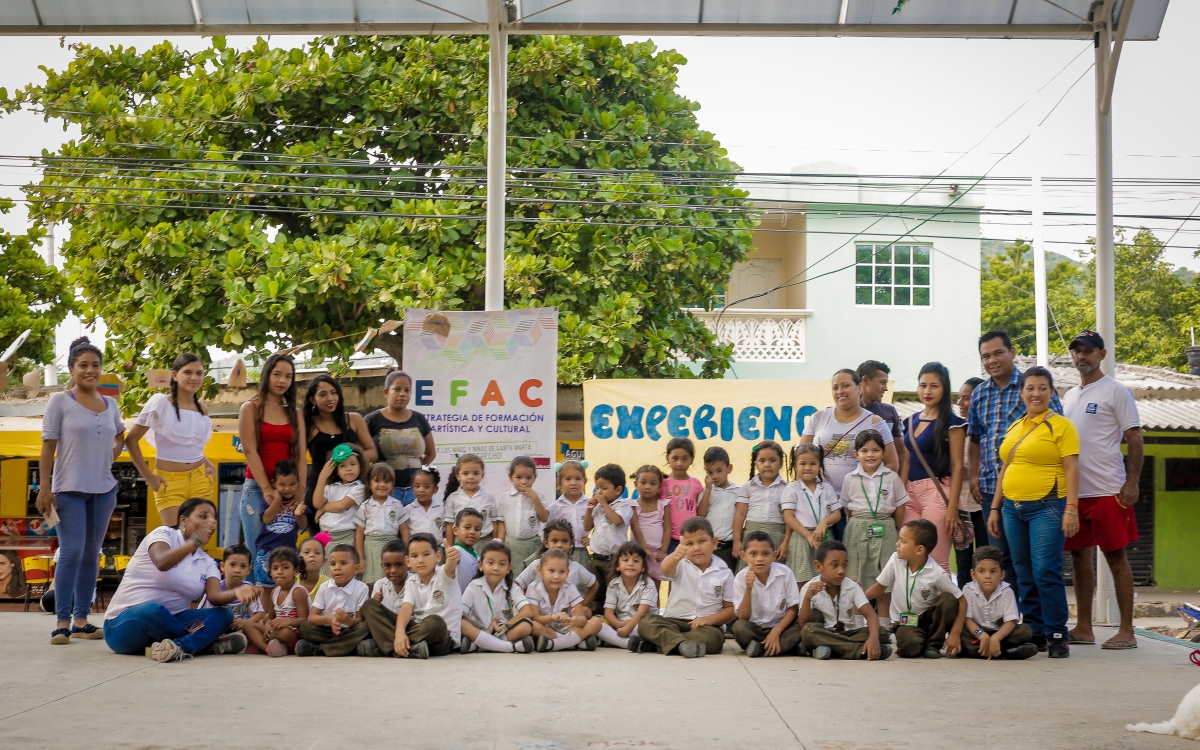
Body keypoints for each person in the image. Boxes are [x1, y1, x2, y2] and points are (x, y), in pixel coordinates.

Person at [38, 336, 127, 644]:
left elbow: (120, 436)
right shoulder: (59, 402)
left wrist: (112, 452)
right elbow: (48, 447)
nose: (90, 370)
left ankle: (81, 620)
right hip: (68, 489)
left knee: (92, 555)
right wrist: (44, 488)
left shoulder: (111, 404)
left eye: (95, 365)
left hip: (103, 490)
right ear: (72, 369)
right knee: (71, 553)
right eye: (83, 365)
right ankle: (62, 621)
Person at [988, 365, 1079, 658]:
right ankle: (1036, 631)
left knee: (1045, 571)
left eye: (1042, 387)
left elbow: (1072, 468)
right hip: (1012, 509)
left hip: (1048, 506)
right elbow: (1005, 468)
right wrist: (994, 507)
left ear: (1052, 392)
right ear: (1022, 392)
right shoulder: (1015, 426)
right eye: (1030, 388)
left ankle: (1057, 634)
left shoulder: (1061, 425)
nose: (1036, 393)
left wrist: (1072, 509)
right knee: (1023, 572)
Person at [1061, 331, 1144, 651]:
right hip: (1076, 494)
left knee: (1115, 556)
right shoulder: (1068, 396)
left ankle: (1127, 630)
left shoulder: (1116, 391)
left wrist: (1132, 482)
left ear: (1102, 354)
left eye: (1088, 350)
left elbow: (1134, 438)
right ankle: (1084, 626)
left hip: (1110, 490)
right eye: (1076, 351)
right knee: (1080, 558)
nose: (1081, 356)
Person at [103, 497, 257, 661]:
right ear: (183, 520)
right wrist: (195, 540)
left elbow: (215, 597)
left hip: (172, 624)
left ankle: (180, 646)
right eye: (203, 516)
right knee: (152, 610)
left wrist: (236, 593)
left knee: (224, 615)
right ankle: (206, 644)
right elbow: (162, 561)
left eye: (213, 519)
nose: (210, 523)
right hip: (124, 624)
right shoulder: (163, 535)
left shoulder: (207, 562)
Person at [968, 330, 1062, 587]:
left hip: (1035, 493)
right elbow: (975, 438)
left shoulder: (1033, 386)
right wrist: (974, 476)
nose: (992, 360)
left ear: (1012, 353)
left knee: (1037, 563)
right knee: (1001, 560)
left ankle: (1041, 624)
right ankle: (1011, 620)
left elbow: (1059, 434)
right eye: (985, 356)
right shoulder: (979, 393)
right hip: (991, 490)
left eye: (998, 353)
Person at [237, 352, 306, 578]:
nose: (282, 381)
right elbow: (249, 450)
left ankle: (280, 609)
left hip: (287, 493)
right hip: (257, 491)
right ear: (266, 375)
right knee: (257, 553)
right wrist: (267, 488)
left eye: (288, 376)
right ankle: (252, 610)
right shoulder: (250, 408)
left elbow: (300, 455)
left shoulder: (295, 413)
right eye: (277, 374)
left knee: (283, 557)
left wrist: (300, 491)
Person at [126, 353, 214, 529]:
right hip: (169, 482)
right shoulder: (160, 404)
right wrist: (149, 477)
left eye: (199, 373)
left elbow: (193, 445)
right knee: (176, 537)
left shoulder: (202, 409)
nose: (194, 377)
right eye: (188, 372)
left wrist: (208, 463)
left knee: (197, 538)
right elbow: (131, 440)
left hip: (200, 479)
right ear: (174, 375)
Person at [799, 369, 899, 517]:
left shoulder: (875, 422)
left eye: (845, 385)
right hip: (819, 501)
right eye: (835, 387)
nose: (840, 391)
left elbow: (892, 464)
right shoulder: (818, 417)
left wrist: (868, 493)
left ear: (859, 388)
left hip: (856, 505)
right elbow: (801, 456)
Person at [633, 517, 736, 659]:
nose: (696, 548)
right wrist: (676, 555)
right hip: (674, 621)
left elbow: (731, 609)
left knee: (714, 639)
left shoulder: (724, 572)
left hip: (706, 627)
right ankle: (681, 644)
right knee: (646, 621)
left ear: (714, 543)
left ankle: (658, 644)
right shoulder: (680, 563)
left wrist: (710, 620)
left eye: (702, 541)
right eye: (689, 543)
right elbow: (665, 570)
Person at [864, 519, 966, 659]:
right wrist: (859, 597)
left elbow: (962, 600)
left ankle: (933, 644)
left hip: (928, 619)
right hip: (905, 622)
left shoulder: (936, 572)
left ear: (919, 549)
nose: (897, 544)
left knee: (948, 598)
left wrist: (955, 633)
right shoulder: (895, 560)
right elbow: (881, 586)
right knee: (909, 647)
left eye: (903, 541)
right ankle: (920, 642)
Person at [901, 362, 967, 573]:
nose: (927, 391)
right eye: (922, 385)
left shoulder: (952, 422)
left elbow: (957, 466)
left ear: (945, 388)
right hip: (909, 495)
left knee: (937, 563)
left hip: (938, 493)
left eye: (934, 386)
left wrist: (952, 508)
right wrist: (899, 497)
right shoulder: (909, 421)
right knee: (909, 560)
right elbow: (905, 461)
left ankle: (944, 607)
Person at [843, 430, 909, 624]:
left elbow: (900, 505)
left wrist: (897, 530)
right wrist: (860, 521)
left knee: (885, 577)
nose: (870, 455)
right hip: (857, 527)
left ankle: (884, 625)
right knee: (856, 575)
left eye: (875, 450)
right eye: (864, 450)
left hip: (886, 528)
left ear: (883, 452)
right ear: (856, 454)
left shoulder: (892, 477)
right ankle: (856, 624)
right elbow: (847, 507)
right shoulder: (850, 478)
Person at [304, 375, 377, 528]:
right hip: (320, 489)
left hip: (352, 491)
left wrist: (347, 456)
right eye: (322, 395)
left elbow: (372, 452)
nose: (330, 398)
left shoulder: (354, 419)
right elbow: (297, 459)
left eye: (333, 392)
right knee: (320, 544)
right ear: (312, 400)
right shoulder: (308, 426)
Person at [798, 540, 888, 661]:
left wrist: (873, 639)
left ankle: (831, 650)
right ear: (818, 566)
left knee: (881, 632)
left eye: (844, 565)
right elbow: (804, 623)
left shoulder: (852, 586)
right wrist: (808, 598)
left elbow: (871, 615)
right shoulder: (809, 588)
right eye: (834, 565)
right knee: (808, 631)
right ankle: (860, 650)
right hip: (823, 634)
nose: (841, 570)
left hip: (847, 634)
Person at [365, 370, 435, 506]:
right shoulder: (372, 420)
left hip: (414, 492)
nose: (402, 394)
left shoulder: (419, 419)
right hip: (386, 491)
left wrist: (417, 473)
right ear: (386, 392)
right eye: (397, 389)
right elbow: (360, 456)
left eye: (407, 390)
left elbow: (431, 453)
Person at [732, 530, 803, 658]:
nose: (760, 559)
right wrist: (749, 588)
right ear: (744, 556)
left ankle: (759, 649)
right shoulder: (740, 578)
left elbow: (793, 609)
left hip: (782, 628)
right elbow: (743, 616)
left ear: (774, 555)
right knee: (739, 628)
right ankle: (787, 647)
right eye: (753, 554)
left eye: (766, 554)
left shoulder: (785, 573)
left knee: (805, 624)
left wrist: (776, 631)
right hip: (755, 630)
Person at [391, 534, 462, 659]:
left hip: (442, 638)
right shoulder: (411, 582)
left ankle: (388, 646)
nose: (420, 560)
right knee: (371, 606)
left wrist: (452, 558)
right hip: (419, 630)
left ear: (438, 556)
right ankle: (410, 647)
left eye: (426, 554)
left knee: (435, 622)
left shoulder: (444, 574)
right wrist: (400, 632)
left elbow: (450, 568)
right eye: (414, 556)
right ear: (408, 561)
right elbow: (406, 608)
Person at [959, 546, 1036, 660]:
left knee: (1025, 631)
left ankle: (982, 651)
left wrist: (995, 638)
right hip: (977, 634)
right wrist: (982, 636)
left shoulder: (1007, 591)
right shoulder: (968, 589)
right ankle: (1006, 653)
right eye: (981, 571)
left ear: (1002, 574)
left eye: (993, 571)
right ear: (973, 574)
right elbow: (967, 620)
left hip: (1001, 634)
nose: (987, 576)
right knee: (960, 634)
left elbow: (1011, 622)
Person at [459, 541, 536, 654]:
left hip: (503, 633)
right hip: (481, 631)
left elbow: (527, 611)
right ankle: (510, 647)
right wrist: (487, 629)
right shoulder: (474, 586)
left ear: (509, 567)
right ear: (480, 565)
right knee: (461, 623)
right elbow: (462, 613)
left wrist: (504, 626)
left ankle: (479, 646)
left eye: (502, 564)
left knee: (527, 626)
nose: (496, 568)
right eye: (490, 563)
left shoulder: (512, 587)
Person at [782, 444, 842, 586]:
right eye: (803, 464)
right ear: (795, 466)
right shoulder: (792, 489)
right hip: (802, 538)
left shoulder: (826, 488)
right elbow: (789, 518)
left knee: (826, 578)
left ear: (820, 466)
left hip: (824, 537)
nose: (808, 467)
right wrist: (808, 535)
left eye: (813, 463)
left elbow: (837, 514)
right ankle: (803, 607)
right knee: (802, 580)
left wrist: (824, 522)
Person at [296, 544, 370, 657]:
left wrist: (348, 621)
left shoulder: (361, 588)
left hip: (349, 631)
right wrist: (328, 619)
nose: (337, 567)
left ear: (356, 569)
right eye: (332, 564)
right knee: (305, 627)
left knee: (365, 628)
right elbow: (312, 617)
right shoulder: (324, 587)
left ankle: (320, 649)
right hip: (327, 631)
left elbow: (360, 620)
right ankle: (349, 648)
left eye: (343, 563)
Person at [527, 548, 602, 652]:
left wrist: (576, 621)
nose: (556, 576)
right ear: (540, 570)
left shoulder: (570, 587)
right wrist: (552, 617)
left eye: (562, 572)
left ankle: (554, 644)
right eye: (551, 571)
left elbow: (582, 618)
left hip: (568, 630)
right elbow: (534, 617)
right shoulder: (534, 587)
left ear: (567, 573)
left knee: (597, 622)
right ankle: (575, 644)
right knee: (532, 626)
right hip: (547, 631)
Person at [200, 544, 268, 654]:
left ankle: (239, 642)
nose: (237, 570)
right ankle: (224, 642)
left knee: (259, 624)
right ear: (222, 566)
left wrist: (245, 623)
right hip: (219, 628)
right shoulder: (215, 589)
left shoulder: (248, 588)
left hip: (240, 628)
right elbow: (201, 615)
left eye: (243, 566)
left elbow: (260, 613)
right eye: (232, 565)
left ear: (249, 570)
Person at [516, 520, 599, 610]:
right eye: (554, 541)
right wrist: (524, 605)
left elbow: (594, 584)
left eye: (564, 541)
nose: (559, 545)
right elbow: (518, 584)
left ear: (571, 543)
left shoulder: (575, 567)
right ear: (546, 543)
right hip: (539, 618)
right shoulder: (537, 564)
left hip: (566, 619)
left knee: (588, 614)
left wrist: (581, 606)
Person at [954, 378, 990, 588]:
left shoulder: (987, 430)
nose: (960, 402)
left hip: (982, 505)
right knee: (963, 564)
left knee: (985, 560)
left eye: (966, 398)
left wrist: (968, 471)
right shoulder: (954, 429)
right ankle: (963, 611)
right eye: (959, 398)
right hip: (960, 508)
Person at [354, 463, 411, 586]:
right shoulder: (365, 506)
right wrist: (361, 557)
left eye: (387, 481)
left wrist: (407, 552)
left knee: (392, 580)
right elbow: (359, 533)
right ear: (369, 483)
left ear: (392, 485)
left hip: (392, 547)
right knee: (370, 583)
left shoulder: (397, 504)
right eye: (377, 480)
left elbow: (404, 530)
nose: (382, 484)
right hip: (370, 549)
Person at [593, 541, 657, 650]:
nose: (630, 564)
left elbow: (642, 612)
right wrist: (619, 625)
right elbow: (608, 613)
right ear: (618, 566)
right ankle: (629, 643)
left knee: (648, 627)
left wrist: (627, 628)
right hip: (620, 625)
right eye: (625, 560)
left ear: (643, 567)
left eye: (636, 561)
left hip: (640, 624)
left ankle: (613, 641)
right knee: (595, 622)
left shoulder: (648, 584)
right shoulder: (613, 584)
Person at [733, 440, 789, 563]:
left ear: (781, 463)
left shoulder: (787, 489)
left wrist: (785, 542)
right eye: (762, 461)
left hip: (776, 537)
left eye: (772, 460)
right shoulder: (748, 487)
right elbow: (740, 514)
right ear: (756, 463)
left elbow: (789, 518)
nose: (767, 464)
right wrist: (737, 541)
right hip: (751, 537)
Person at [585, 463, 633, 605]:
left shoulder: (623, 505)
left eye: (604, 488)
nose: (599, 492)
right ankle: (597, 617)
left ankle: (614, 618)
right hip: (596, 557)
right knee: (596, 590)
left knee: (615, 590)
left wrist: (604, 504)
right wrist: (589, 508)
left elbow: (617, 521)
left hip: (615, 558)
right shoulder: (598, 506)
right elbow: (587, 527)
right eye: (597, 488)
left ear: (618, 490)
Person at [255, 460, 306, 591]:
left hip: (288, 553)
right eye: (282, 484)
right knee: (265, 588)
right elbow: (266, 519)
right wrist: (277, 500)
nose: (287, 488)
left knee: (287, 588)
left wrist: (298, 514)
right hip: (267, 551)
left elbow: (303, 526)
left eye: (292, 484)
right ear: (274, 483)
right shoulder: (269, 500)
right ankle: (266, 612)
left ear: (298, 483)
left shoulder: (298, 502)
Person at [313, 444, 367, 566]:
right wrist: (322, 477)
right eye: (343, 466)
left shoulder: (359, 488)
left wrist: (323, 508)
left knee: (344, 570)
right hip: (326, 537)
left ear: (360, 465)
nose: (348, 469)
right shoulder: (330, 487)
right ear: (336, 469)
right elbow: (316, 502)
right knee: (327, 573)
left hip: (346, 536)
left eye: (353, 464)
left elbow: (342, 505)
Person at [358, 538, 413, 656]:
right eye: (387, 566)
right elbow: (375, 618)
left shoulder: (415, 582)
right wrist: (376, 602)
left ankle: (385, 647)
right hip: (385, 626)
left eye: (399, 565)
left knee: (431, 625)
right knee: (369, 606)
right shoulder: (380, 585)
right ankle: (405, 648)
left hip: (409, 626)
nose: (393, 570)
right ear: (382, 566)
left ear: (408, 564)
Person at [442, 453, 504, 553]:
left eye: (476, 473)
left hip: (484, 542)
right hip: (460, 543)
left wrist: (494, 544)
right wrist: (449, 548)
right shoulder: (453, 498)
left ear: (482, 475)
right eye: (466, 473)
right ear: (458, 475)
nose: (471, 477)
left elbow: (494, 522)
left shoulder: (489, 497)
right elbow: (449, 525)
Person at [497, 456, 548, 577]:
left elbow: (544, 518)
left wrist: (534, 498)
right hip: (511, 544)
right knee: (511, 576)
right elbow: (501, 523)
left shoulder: (539, 496)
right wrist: (500, 542)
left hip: (532, 545)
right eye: (518, 477)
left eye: (528, 477)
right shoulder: (505, 498)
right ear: (511, 477)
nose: (524, 481)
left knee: (532, 576)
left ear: (534, 478)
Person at [858, 360, 908, 471]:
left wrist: (899, 484)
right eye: (882, 382)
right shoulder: (847, 412)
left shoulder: (889, 411)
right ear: (865, 380)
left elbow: (901, 454)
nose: (885, 388)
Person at [263, 546, 309, 657]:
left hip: (293, 635)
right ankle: (272, 647)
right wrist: (267, 625)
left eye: (285, 567)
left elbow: (305, 619)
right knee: (250, 625)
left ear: (296, 571)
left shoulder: (297, 592)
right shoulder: (274, 592)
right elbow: (270, 617)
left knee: (284, 632)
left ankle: (262, 643)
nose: (279, 572)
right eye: (275, 568)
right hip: (277, 631)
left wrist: (287, 622)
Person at [698, 446, 740, 570]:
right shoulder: (705, 491)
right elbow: (701, 514)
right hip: (709, 546)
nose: (715, 476)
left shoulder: (738, 492)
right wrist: (708, 490)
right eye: (710, 472)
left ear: (729, 468)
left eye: (719, 470)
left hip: (729, 547)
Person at [629, 465, 671, 582]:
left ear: (660, 486)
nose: (648, 487)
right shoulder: (633, 505)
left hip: (657, 556)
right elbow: (635, 526)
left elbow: (667, 528)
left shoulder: (663, 505)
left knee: (654, 590)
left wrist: (663, 550)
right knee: (637, 586)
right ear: (636, 484)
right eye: (643, 482)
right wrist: (644, 548)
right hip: (638, 553)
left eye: (653, 483)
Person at [546, 460, 591, 569]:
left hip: (581, 551)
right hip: (561, 551)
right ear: (559, 482)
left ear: (584, 481)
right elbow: (548, 529)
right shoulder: (555, 506)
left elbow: (599, 525)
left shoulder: (590, 504)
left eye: (578, 478)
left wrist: (591, 539)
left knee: (581, 582)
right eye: (568, 479)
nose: (573, 482)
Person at [662, 437, 704, 553]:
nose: (679, 463)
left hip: (690, 538)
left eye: (684, 459)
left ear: (691, 459)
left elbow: (700, 512)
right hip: (667, 539)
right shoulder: (662, 482)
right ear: (668, 458)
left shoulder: (696, 484)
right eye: (675, 458)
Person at [449, 508, 484, 594]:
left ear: (480, 534)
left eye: (477, 529)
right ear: (456, 530)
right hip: (458, 602)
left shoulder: (475, 554)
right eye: (467, 527)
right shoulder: (456, 551)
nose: (472, 532)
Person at [405, 466, 445, 540]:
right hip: (415, 549)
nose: (421, 490)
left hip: (437, 548)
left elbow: (444, 531)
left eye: (426, 487)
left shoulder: (441, 509)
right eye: (417, 486)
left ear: (435, 489)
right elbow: (404, 532)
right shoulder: (407, 510)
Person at [297, 536, 328, 603]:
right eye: (306, 552)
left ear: (324, 561)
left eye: (317, 553)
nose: (312, 555)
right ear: (298, 559)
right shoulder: (291, 582)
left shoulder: (329, 584)